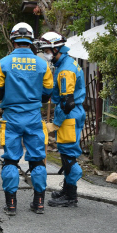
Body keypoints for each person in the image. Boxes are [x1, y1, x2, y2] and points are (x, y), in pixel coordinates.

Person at [0, 22, 53, 215]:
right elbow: (47, 93)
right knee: (37, 160)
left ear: (13, 39)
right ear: (31, 40)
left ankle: (11, 205)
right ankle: (39, 203)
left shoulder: (3, 63)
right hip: (34, 117)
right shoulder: (43, 63)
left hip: (11, 118)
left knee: (10, 160)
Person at [39, 32, 86, 207]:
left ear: (56, 48)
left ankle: (71, 196)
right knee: (66, 152)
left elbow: (67, 102)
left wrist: (56, 123)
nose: (45, 52)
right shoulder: (65, 63)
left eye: (46, 49)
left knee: (69, 155)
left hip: (69, 115)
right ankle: (67, 189)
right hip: (73, 114)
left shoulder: (65, 69)